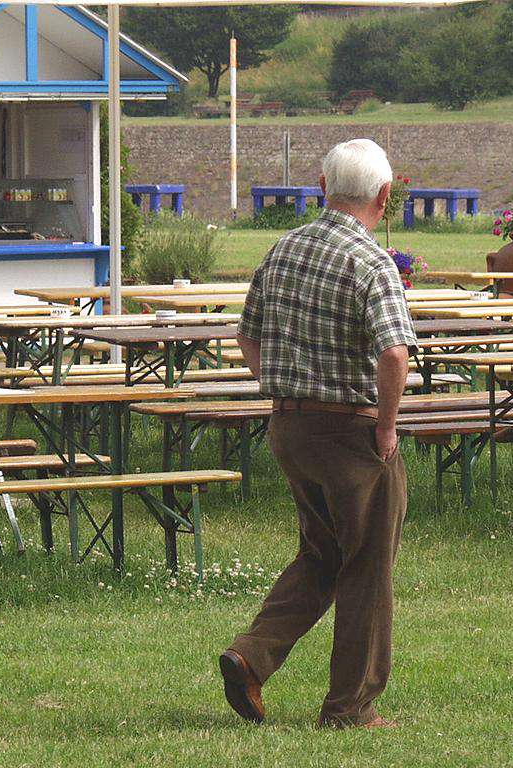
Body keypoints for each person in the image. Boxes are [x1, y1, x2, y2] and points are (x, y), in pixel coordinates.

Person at [218, 138, 417, 730]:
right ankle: (350, 706)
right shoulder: (372, 262)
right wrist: (386, 427)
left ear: (323, 186)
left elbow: (246, 335)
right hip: (351, 431)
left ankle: (251, 657)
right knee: (368, 567)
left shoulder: (283, 248)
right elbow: (395, 354)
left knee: (323, 553)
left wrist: (282, 387)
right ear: (385, 194)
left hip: (290, 427)